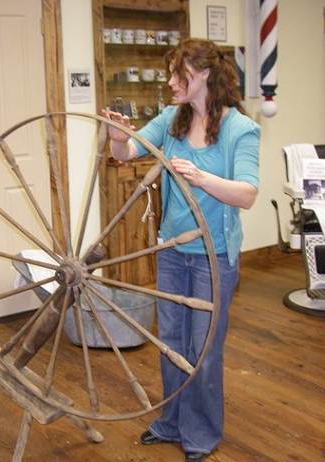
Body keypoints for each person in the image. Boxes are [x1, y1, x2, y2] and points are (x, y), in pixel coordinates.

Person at [103, 38, 260, 462]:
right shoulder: (172, 119)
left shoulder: (239, 129)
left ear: (204, 74)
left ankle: (201, 434)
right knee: (171, 342)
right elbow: (128, 151)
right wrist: (118, 138)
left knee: (203, 350)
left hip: (213, 255)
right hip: (172, 251)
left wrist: (202, 178)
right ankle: (170, 422)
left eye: (179, 75)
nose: (171, 82)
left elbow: (247, 194)